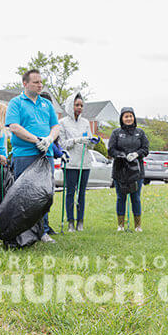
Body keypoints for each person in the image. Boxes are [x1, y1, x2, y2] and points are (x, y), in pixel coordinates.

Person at [5, 69, 60, 243]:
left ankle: (42, 231)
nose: (40, 85)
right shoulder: (16, 103)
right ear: (25, 83)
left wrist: (49, 139)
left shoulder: (46, 104)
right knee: (25, 194)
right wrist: (36, 140)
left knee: (45, 193)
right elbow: (14, 127)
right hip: (25, 154)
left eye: (41, 82)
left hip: (46, 154)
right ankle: (25, 231)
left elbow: (55, 126)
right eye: (36, 82)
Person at [58, 92, 99, 232]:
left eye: (81, 105)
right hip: (70, 163)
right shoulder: (62, 122)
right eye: (77, 105)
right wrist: (77, 140)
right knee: (70, 193)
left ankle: (80, 221)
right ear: (71, 106)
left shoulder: (86, 122)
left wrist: (92, 141)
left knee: (81, 193)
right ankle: (70, 222)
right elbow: (62, 144)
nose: (79, 107)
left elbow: (89, 143)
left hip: (84, 162)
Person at [108, 107, 149, 232]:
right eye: (126, 116)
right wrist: (121, 155)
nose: (128, 118)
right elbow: (111, 149)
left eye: (130, 116)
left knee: (135, 197)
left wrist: (136, 154)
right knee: (121, 197)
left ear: (134, 118)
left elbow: (145, 149)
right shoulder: (116, 133)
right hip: (120, 169)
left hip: (136, 170)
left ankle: (138, 225)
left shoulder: (140, 133)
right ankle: (120, 225)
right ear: (122, 118)